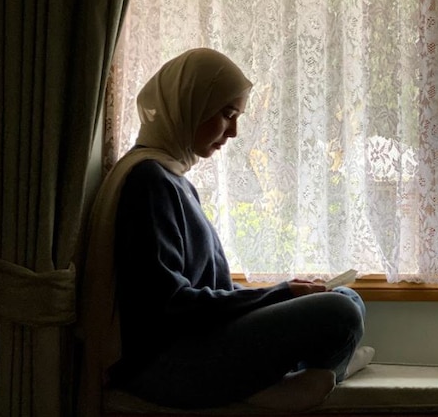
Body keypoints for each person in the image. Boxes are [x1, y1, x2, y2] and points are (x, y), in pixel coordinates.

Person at [79, 48, 373, 413]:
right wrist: (278, 294)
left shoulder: (174, 178)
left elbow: (210, 289)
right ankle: (312, 376)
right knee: (337, 312)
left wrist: (283, 293)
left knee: (349, 297)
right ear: (191, 105)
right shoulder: (148, 181)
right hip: (168, 363)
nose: (233, 131)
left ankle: (306, 374)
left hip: (200, 341)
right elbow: (171, 304)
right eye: (226, 115)